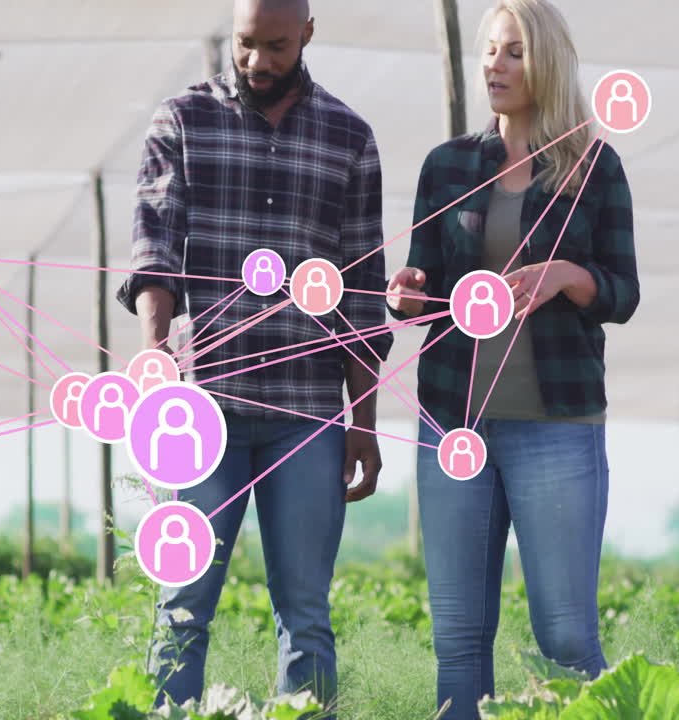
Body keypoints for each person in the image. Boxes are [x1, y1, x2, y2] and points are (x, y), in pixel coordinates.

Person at [114, 0, 393, 715]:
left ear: (306, 32)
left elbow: (362, 292)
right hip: (202, 407)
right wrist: (154, 354)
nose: (259, 62)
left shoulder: (349, 138)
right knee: (184, 604)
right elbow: (154, 248)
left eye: (275, 45)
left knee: (306, 610)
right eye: (245, 45)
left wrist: (362, 422)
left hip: (307, 410)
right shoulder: (181, 121)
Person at [386, 1, 639, 718]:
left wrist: (567, 276)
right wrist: (405, 296)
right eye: (490, 50)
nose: (494, 65)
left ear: (548, 65)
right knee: (459, 640)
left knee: (564, 637)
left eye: (514, 52)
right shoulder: (448, 167)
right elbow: (423, 286)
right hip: (453, 428)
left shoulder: (594, 167)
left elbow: (624, 291)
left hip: (556, 426)